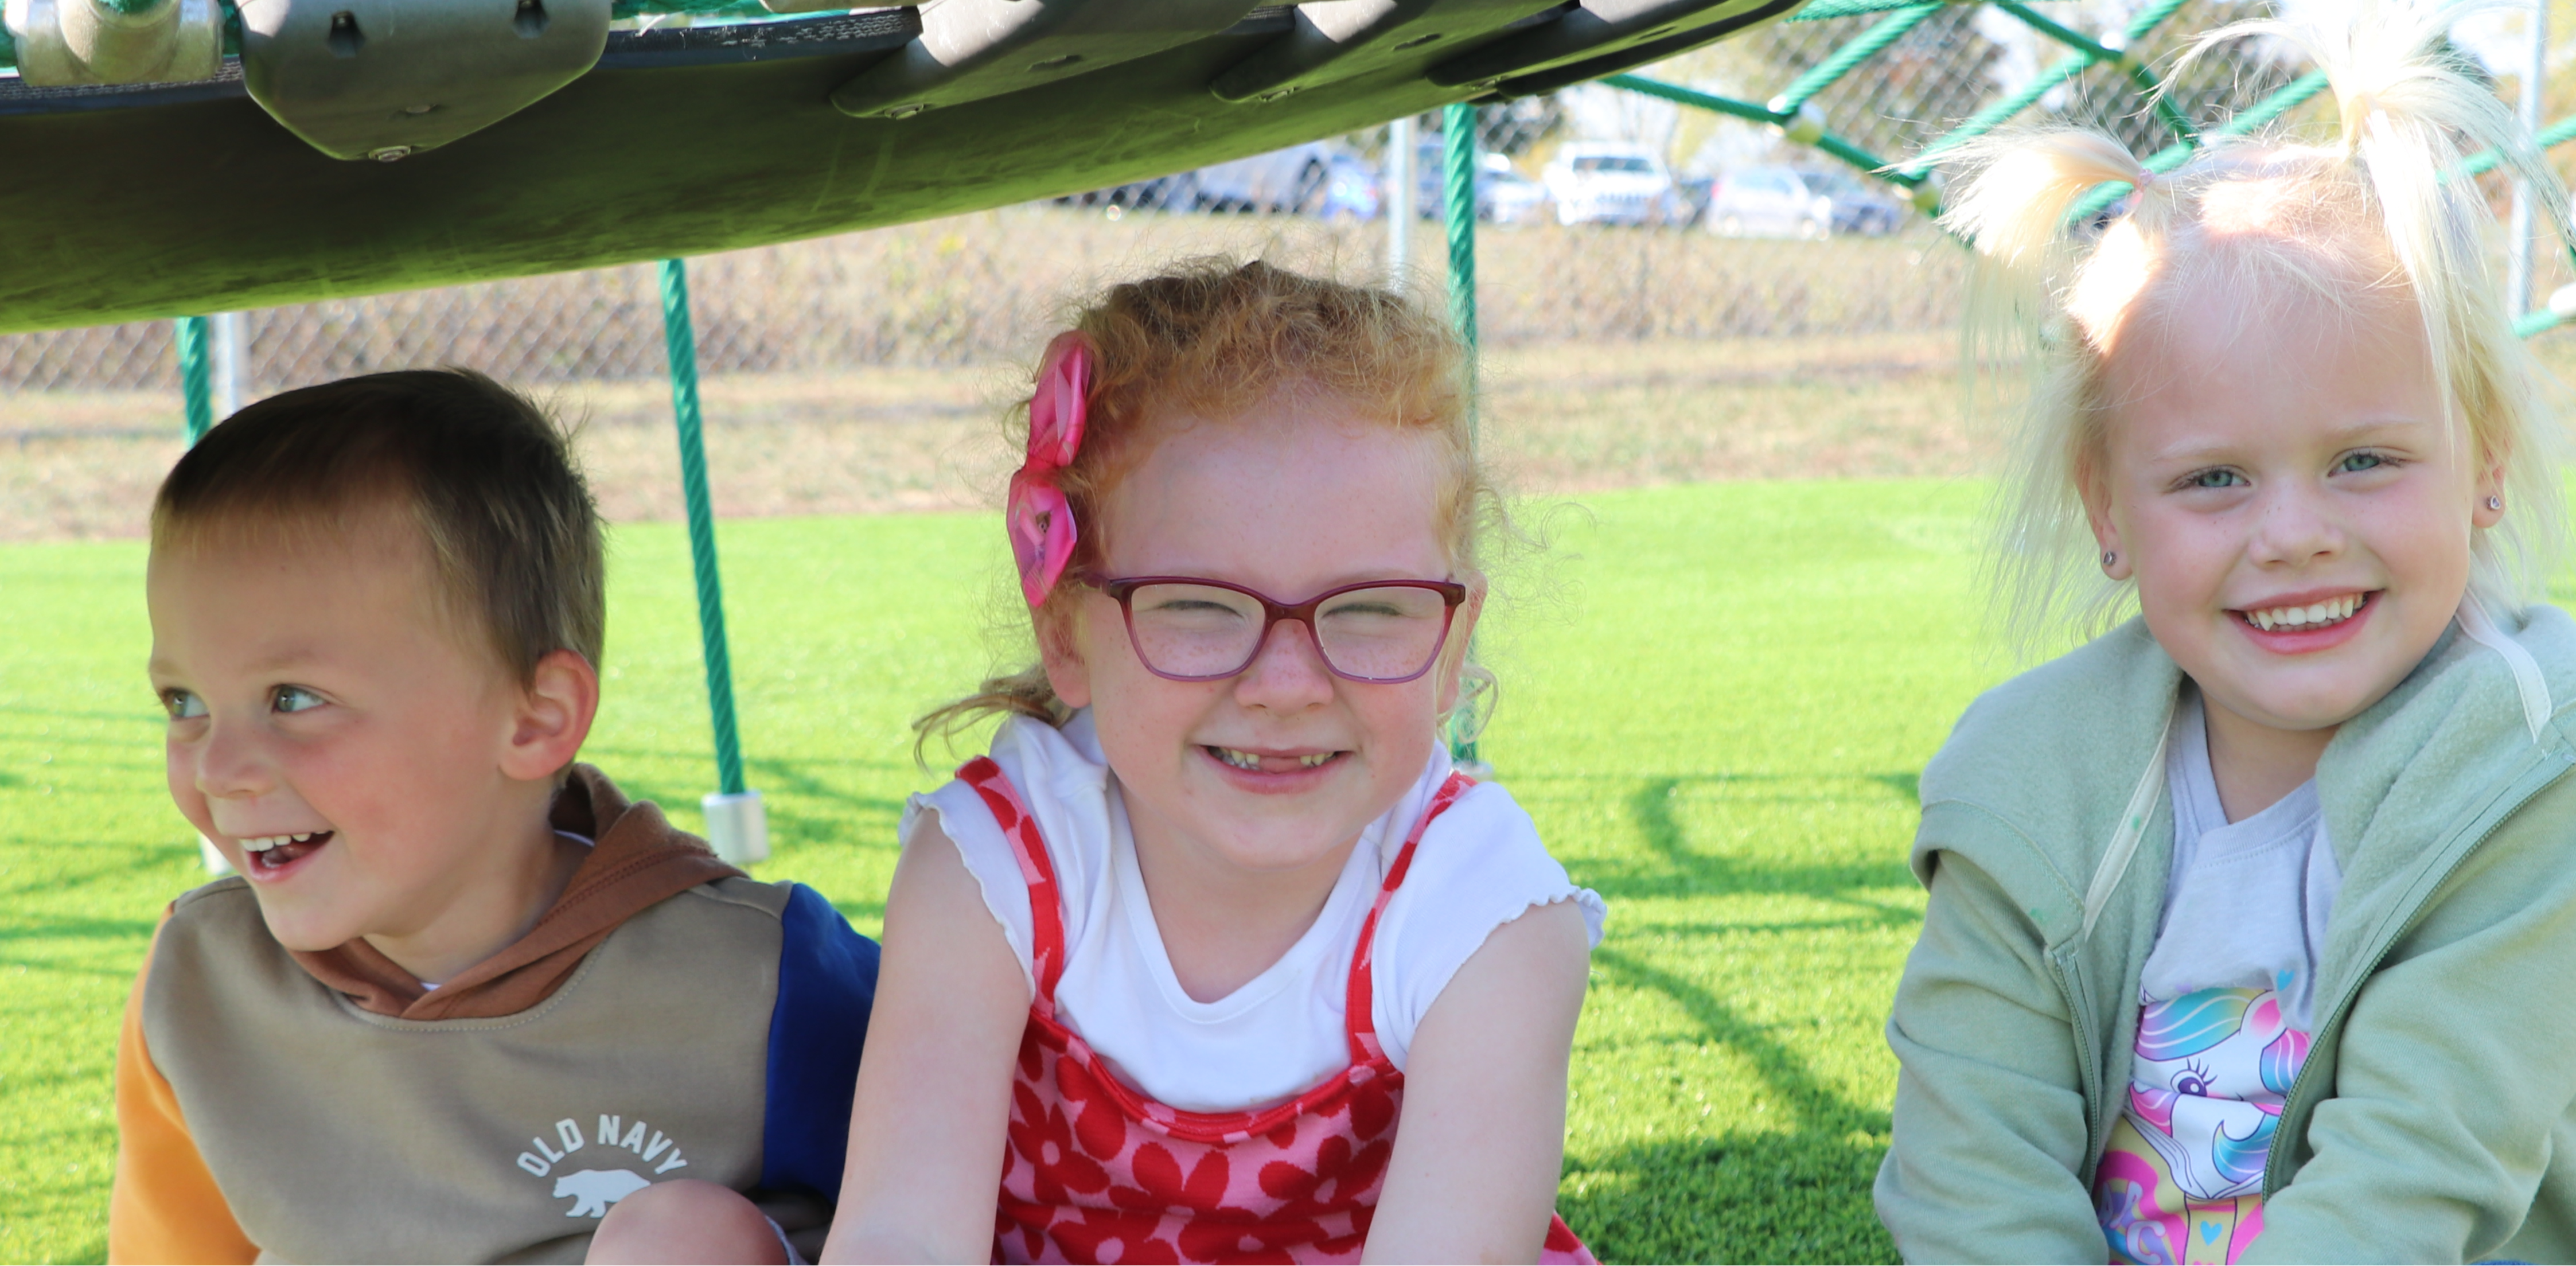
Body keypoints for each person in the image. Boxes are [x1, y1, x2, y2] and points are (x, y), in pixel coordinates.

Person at [1876, 6, 2576, 1263]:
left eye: (2365, 459)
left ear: (2485, 468)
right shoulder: (2026, 775)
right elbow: (1973, 1168)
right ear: (2108, 510)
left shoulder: (2548, 752)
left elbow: (2413, 1175)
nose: (2293, 533)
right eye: (2213, 480)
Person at [817, 259, 1603, 1265]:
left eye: (1367, 608)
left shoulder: (1482, 909)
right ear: (1067, 631)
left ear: (1453, 647)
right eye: (1196, 604)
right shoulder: (997, 865)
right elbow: (899, 1235)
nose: (1286, 683)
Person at [110, 369, 878, 1266]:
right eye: (184, 699)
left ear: (534, 718)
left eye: (293, 696)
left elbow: (977, 1208)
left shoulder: (762, 977)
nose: (220, 765)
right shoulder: (202, 989)